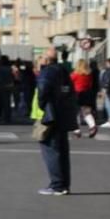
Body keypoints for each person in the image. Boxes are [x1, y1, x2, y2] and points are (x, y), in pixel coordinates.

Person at [35, 47, 77, 195]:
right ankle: (64, 184)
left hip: (50, 114)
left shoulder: (47, 72)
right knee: (62, 151)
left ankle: (57, 185)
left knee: (50, 149)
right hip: (62, 113)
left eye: (40, 57)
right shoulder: (63, 71)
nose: (39, 60)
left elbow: (43, 89)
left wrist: (42, 104)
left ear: (46, 59)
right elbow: (71, 92)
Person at [70, 59, 98, 138]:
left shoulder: (75, 74)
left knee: (74, 113)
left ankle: (77, 130)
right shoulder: (89, 74)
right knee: (86, 113)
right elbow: (90, 85)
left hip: (77, 94)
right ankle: (92, 126)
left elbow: (69, 82)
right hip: (87, 94)